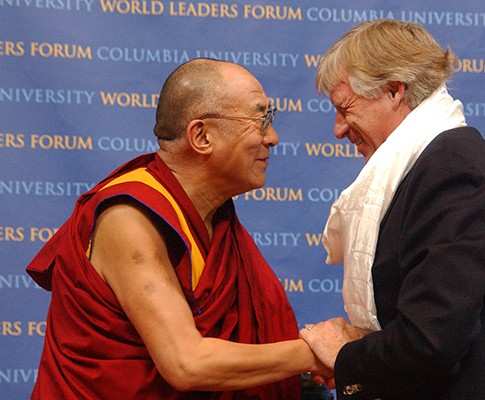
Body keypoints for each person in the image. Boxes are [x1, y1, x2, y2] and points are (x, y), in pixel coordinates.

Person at [26, 58, 330, 399]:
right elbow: (186, 363)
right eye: (261, 120)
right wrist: (319, 353)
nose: (272, 138)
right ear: (201, 136)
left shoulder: (215, 219)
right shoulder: (129, 218)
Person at [299, 20, 485, 400]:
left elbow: (431, 341)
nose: (338, 129)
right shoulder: (436, 163)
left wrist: (346, 356)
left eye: (345, 109)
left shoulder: (451, 169)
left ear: (394, 91)